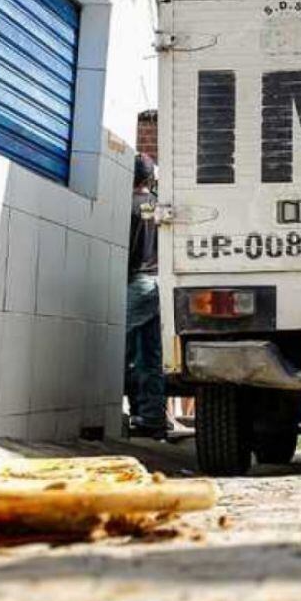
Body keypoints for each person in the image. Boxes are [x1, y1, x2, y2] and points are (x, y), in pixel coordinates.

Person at [126, 153, 167, 439]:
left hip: (136, 281)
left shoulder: (127, 207)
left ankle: (134, 411)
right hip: (158, 283)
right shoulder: (157, 206)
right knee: (150, 355)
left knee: (123, 351)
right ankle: (152, 417)